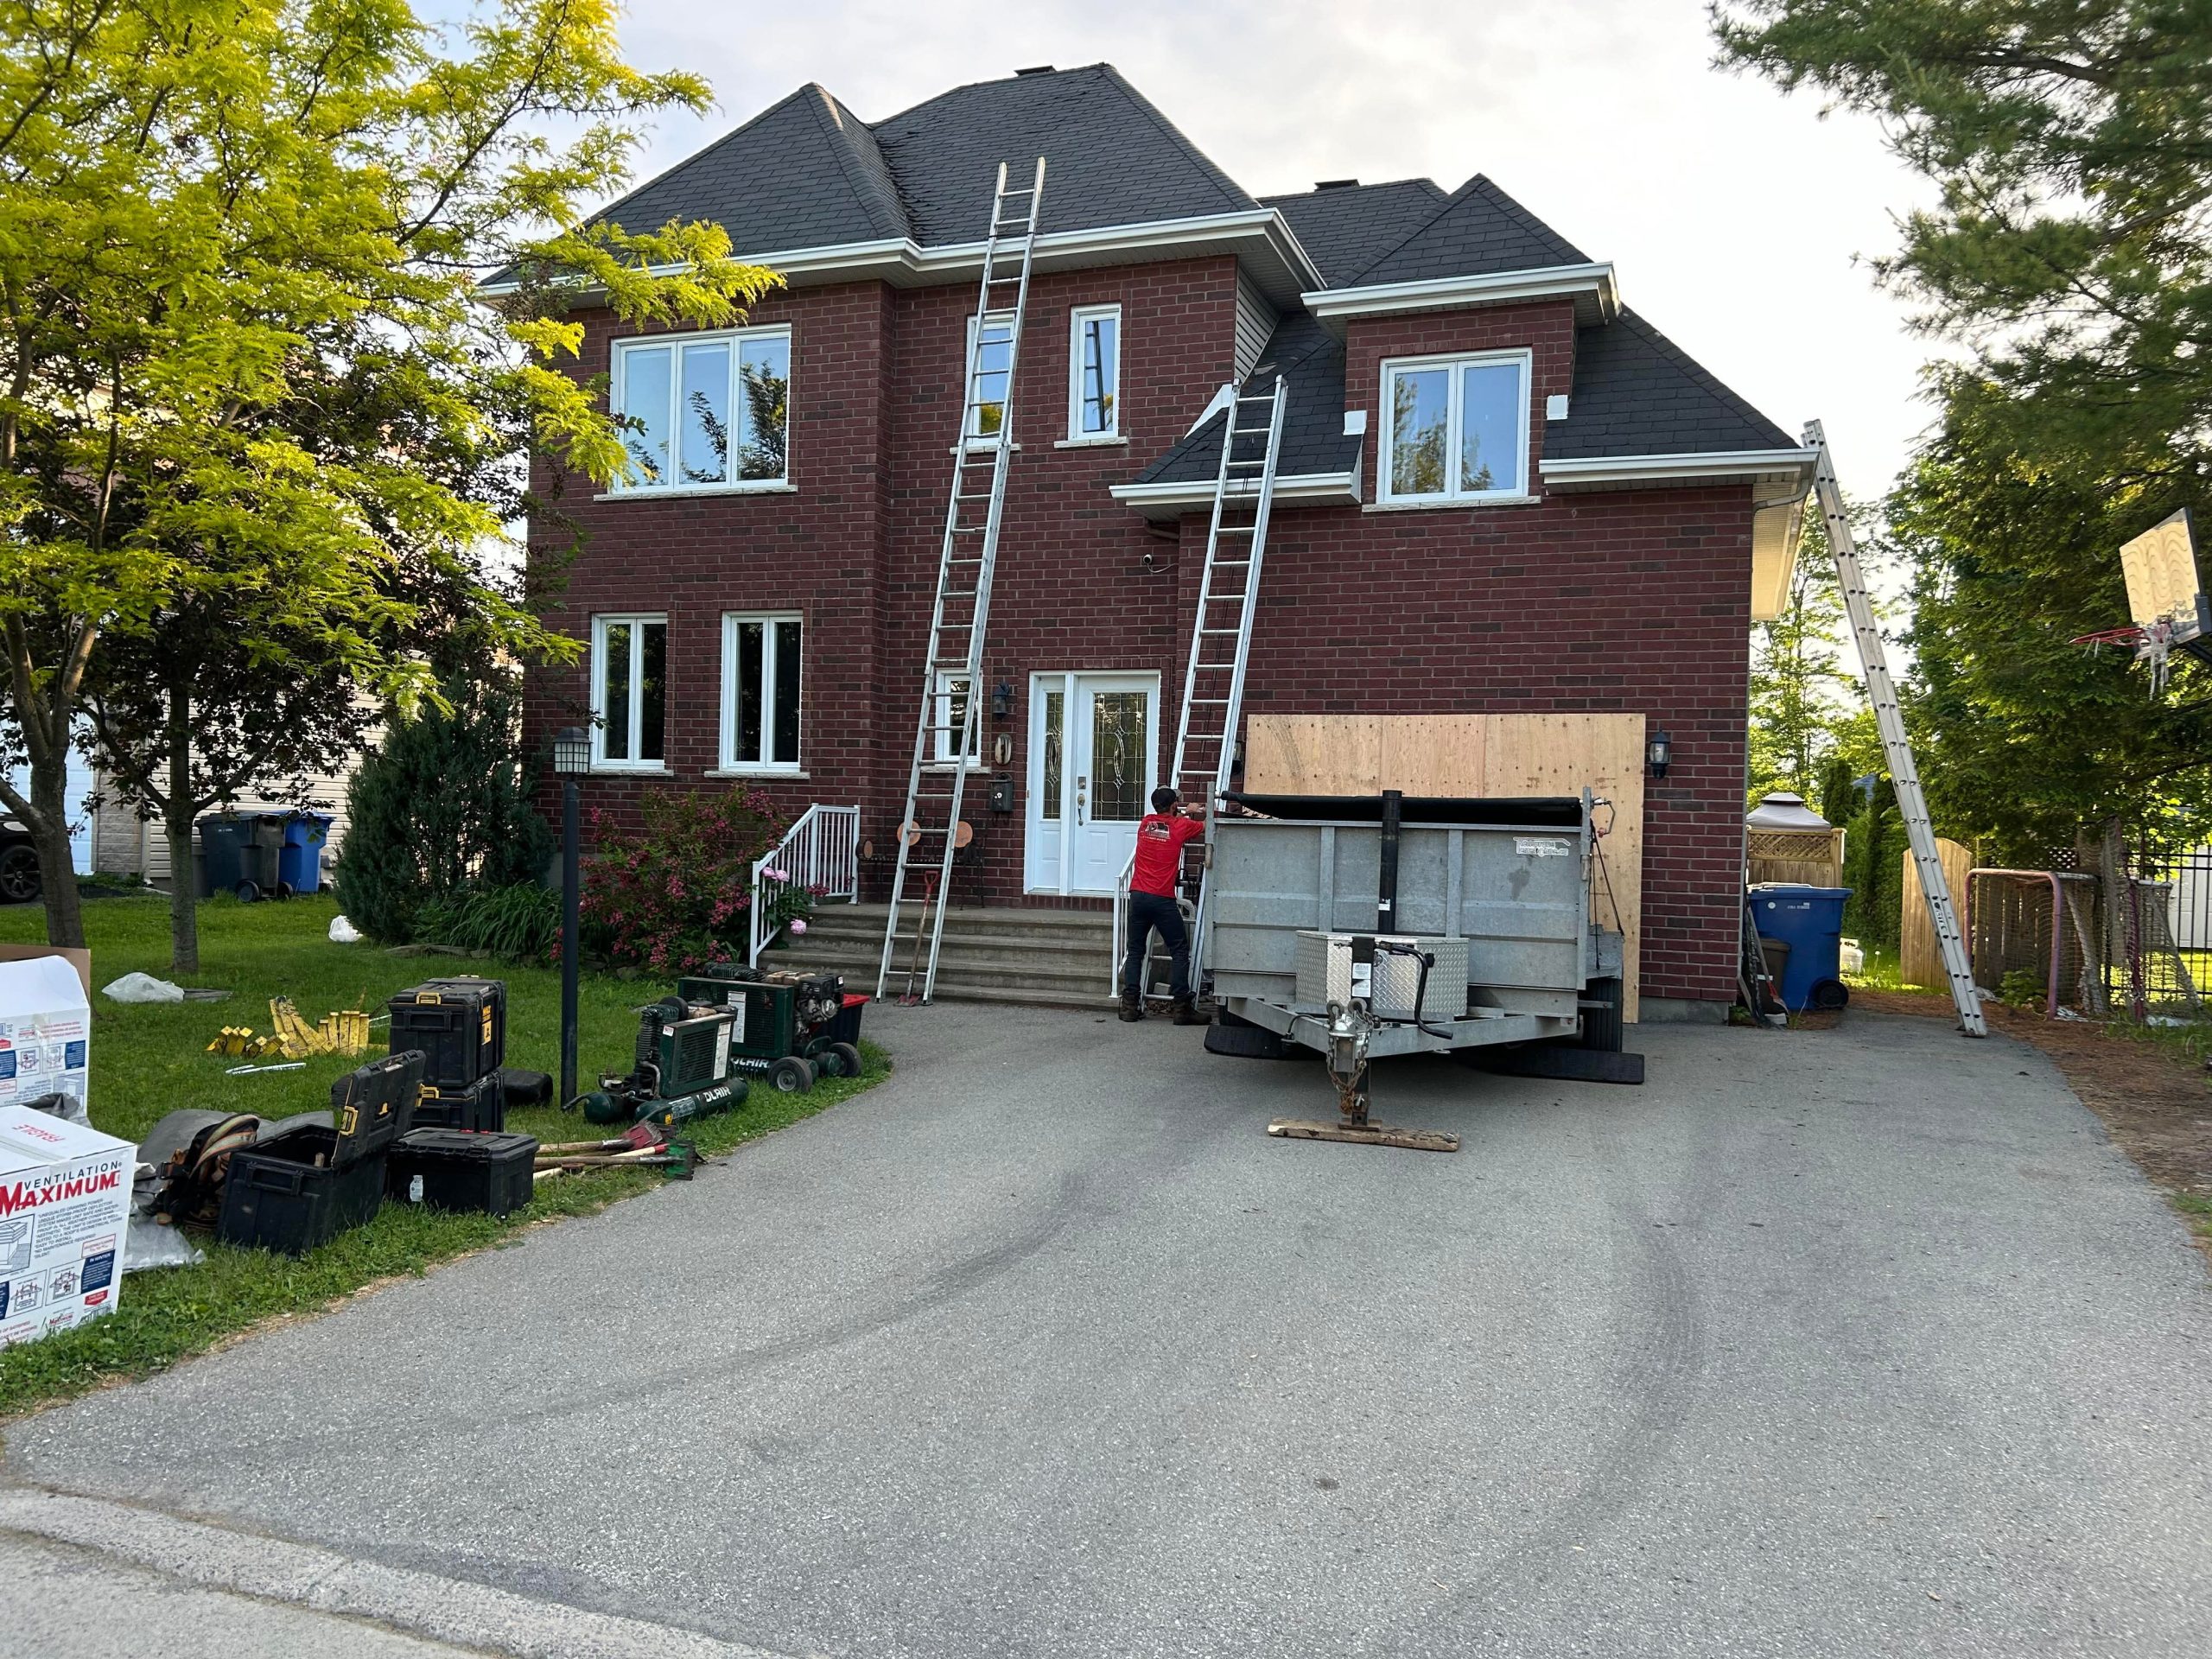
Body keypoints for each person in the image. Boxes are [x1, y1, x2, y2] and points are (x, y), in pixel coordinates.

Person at [1122, 785, 1206, 1025]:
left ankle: (1129, 1006)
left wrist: (1183, 812)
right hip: (1162, 898)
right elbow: (1206, 825)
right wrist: (1193, 811)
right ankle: (1181, 1008)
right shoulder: (1181, 826)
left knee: (1135, 951)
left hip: (1138, 895)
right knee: (1179, 949)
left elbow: (1165, 824)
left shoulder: (1145, 824)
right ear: (1174, 805)